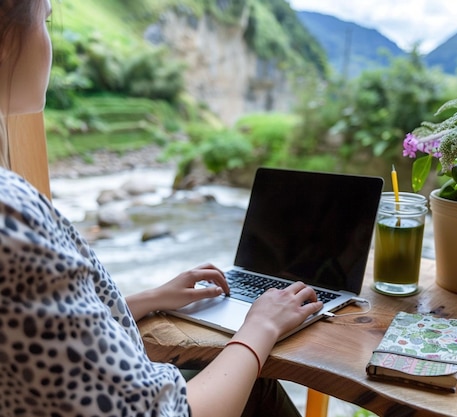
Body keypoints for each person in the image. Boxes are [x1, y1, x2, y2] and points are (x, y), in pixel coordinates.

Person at [0, 1, 324, 416]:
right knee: (258, 387)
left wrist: (150, 298)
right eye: (45, 21)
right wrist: (260, 327)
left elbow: (35, 330)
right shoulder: (12, 215)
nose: (50, 42)